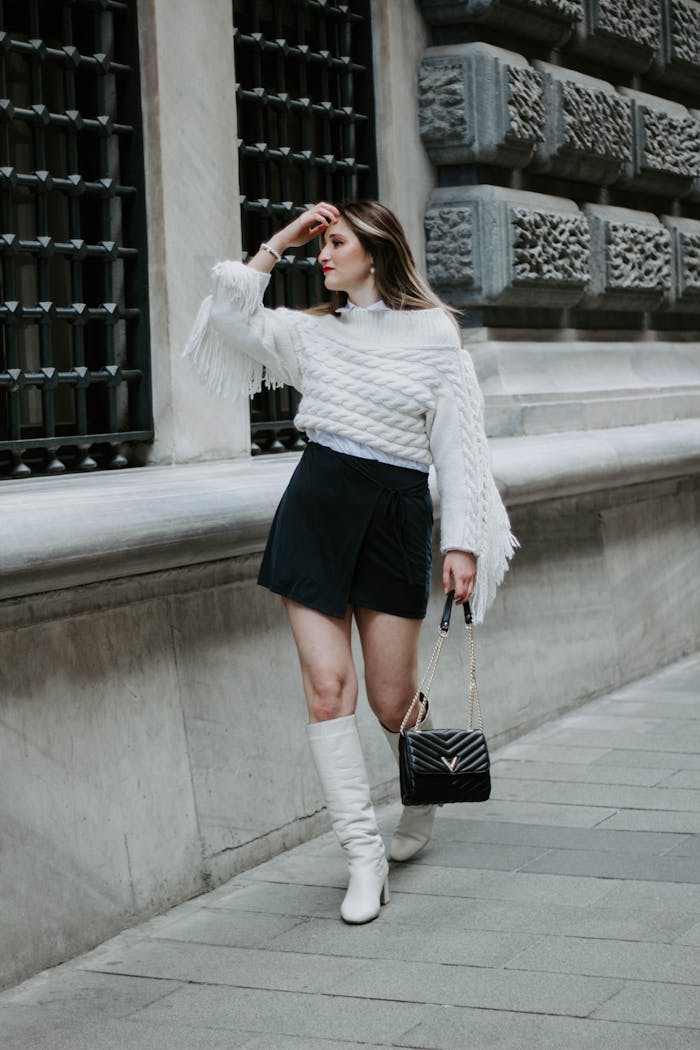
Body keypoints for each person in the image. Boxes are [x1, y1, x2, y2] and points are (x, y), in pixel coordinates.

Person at [184, 200, 516, 925]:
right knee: (328, 689)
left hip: (396, 516)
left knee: (391, 703)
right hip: (317, 508)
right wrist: (279, 241)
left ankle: (422, 790)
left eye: (336, 243)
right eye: (321, 244)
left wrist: (462, 542)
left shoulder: (434, 333)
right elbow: (231, 317)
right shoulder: (313, 333)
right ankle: (363, 856)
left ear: (377, 250)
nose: (324, 255)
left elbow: (460, 448)